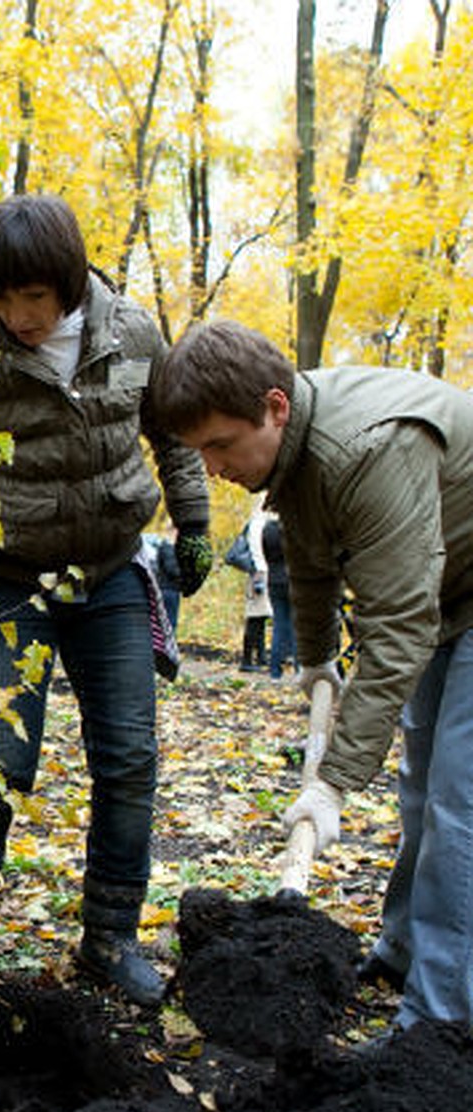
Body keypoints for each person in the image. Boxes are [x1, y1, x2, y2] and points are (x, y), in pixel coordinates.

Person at [0, 194, 212, 1006]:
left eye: (35, 299)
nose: (19, 318)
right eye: (3, 300)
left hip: (112, 573)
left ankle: (109, 937)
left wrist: (194, 521)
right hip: (13, 578)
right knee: (1, 759)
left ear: (70, 284)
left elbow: (175, 433)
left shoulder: (134, 334)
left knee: (129, 757)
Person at [150, 317, 473, 1036]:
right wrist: (320, 656)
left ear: (275, 407)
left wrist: (331, 785)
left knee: (461, 804)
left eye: (220, 445)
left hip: (445, 598)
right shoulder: (295, 458)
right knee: (421, 790)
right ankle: (402, 951)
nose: (211, 468)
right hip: (445, 593)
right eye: (199, 451)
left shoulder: (368, 449)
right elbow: (313, 565)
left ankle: (439, 1024)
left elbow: (399, 630)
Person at [262, 514, 296, 680]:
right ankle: (299, 668)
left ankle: (275, 671)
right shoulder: (294, 529)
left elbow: (266, 554)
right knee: (297, 625)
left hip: (274, 580)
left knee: (279, 624)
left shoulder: (268, 529)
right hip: (294, 579)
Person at [240, 504, 271, 672]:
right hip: (259, 573)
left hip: (259, 573)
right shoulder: (258, 524)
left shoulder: (258, 522)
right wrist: (261, 572)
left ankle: (259, 657)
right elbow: (258, 552)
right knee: (255, 618)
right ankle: (247, 660)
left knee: (259, 617)